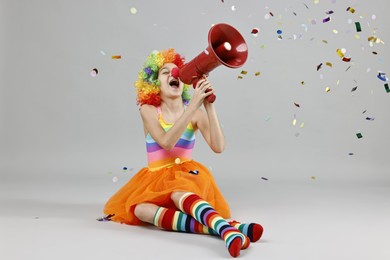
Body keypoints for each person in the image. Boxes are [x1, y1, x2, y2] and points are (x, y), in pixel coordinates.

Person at [103, 48, 263, 257]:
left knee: (179, 192)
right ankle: (229, 227)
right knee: (140, 210)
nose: (173, 75)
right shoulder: (148, 110)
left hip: (187, 177)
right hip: (156, 179)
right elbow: (166, 142)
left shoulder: (195, 111)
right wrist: (192, 107)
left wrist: (208, 106)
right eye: (165, 72)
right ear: (154, 84)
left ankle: (226, 232)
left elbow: (218, 146)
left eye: (177, 71)